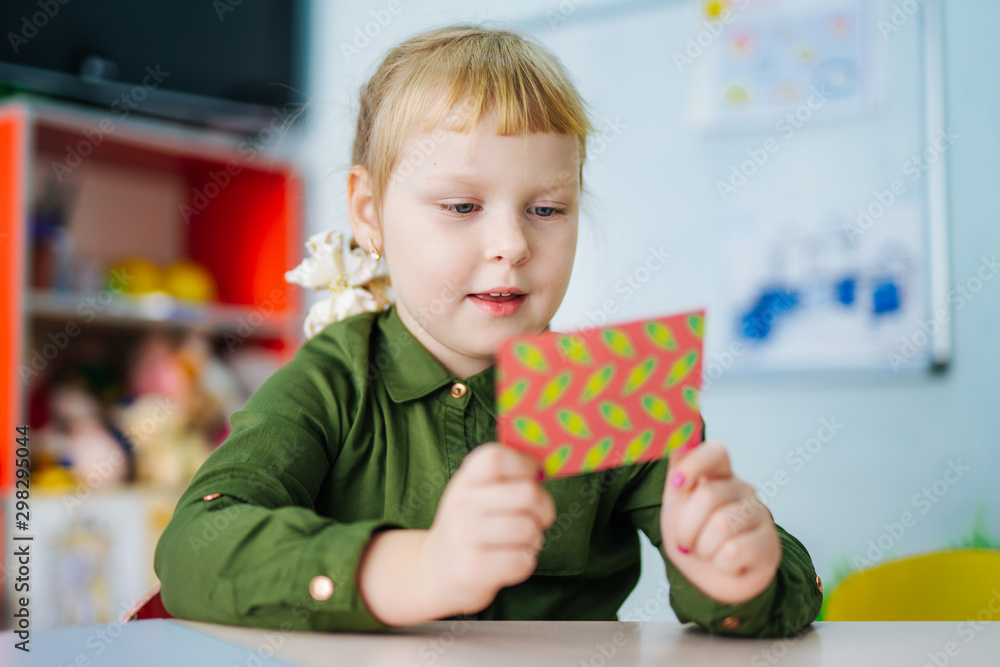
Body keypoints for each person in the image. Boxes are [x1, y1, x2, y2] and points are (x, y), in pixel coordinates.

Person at [154, 23, 823, 636]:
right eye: (463, 205)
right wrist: (416, 568)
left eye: (546, 207)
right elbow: (193, 547)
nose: (511, 243)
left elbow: (782, 587)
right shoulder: (332, 380)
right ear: (369, 212)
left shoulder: (605, 387)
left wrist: (739, 569)